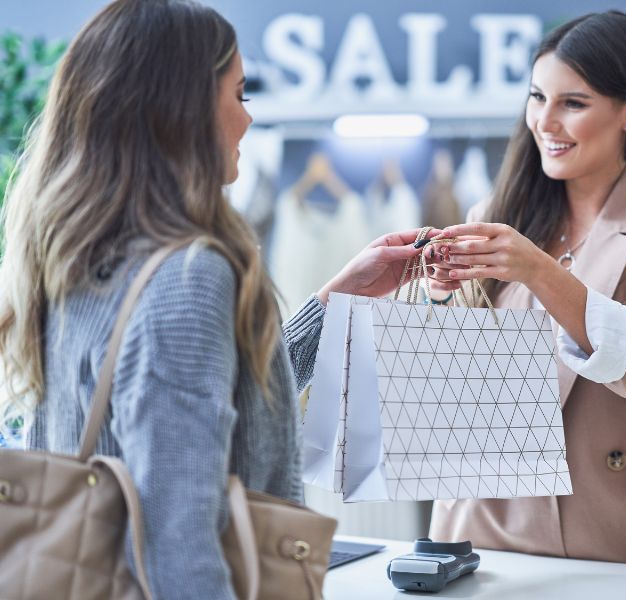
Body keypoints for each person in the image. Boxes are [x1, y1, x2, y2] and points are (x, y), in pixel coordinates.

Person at [0, 1, 452, 598]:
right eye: (238, 95)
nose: (248, 120)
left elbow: (222, 408)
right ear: (181, 111)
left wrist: (333, 301)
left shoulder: (70, 250)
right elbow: (181, 542)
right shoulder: (186, 276)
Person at [425, 10, 626, 580]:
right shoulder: (492, 217)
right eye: (536, 97)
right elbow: (462, 385)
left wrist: (539, 271)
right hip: (497, 521)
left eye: (573, 103)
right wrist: (440, 299)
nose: (545, 122)